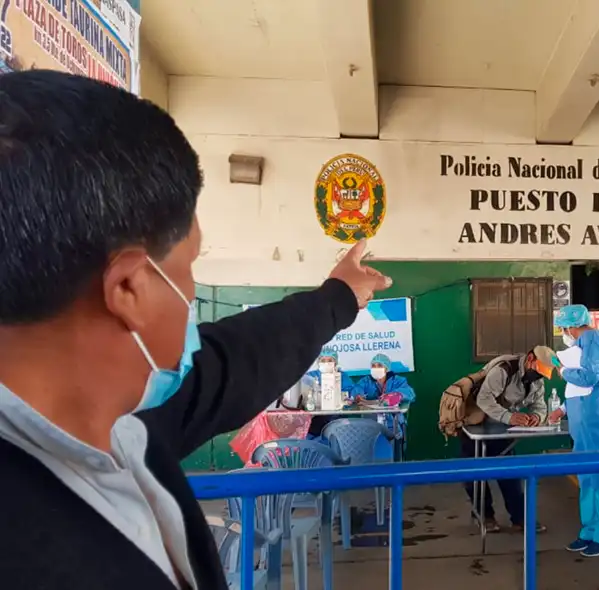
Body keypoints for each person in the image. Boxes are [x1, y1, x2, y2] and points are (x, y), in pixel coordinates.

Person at [0, 70, 391, 590]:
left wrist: (337, 298)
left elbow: (236, 361)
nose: (191, 290)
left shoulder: (123, 422)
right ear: (131, 289)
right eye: (189, 264)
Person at [547, 304, 599, 558]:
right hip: (582, 414)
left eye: (563, 328)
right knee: (586, 475)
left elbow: (589, 378)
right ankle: (590, 531)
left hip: (598, 414)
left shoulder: (593, 337)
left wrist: (560, 369)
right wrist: (562, 409)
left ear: (572, 326)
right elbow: (577, 387)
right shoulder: (581, 344)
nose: (564, 333)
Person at [461, 346, 556, 534]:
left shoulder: (536, 381)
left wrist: (537, 416)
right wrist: (509, 417)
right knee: (473, 474)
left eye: (542, 375)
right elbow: (484, 399)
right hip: (474, 423)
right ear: (530, 359)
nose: (539, 377)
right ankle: (484, 515)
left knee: (510, 472)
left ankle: (520, 518)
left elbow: (539, 404)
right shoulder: (503, 370)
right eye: (538, 371)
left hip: (500, 427)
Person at [350, 353, 415, 403]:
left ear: (386, 368)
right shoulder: (366, 381)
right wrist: (357, 395)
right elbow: (357, 388)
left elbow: (409, 393)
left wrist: (394, 395)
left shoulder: (398, 380)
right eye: (373, 366)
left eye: (379, 365)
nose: (376, 368)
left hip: (393, 416)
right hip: (370, 416)